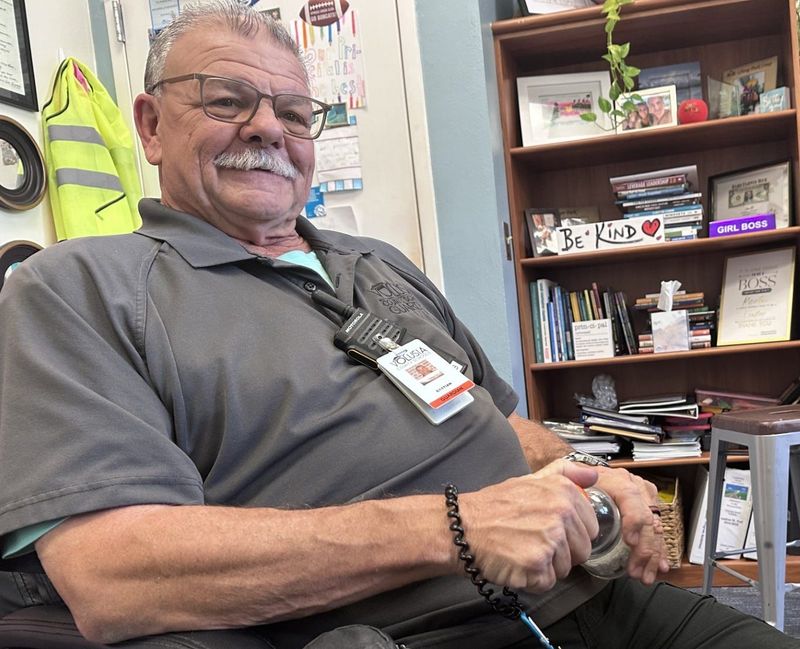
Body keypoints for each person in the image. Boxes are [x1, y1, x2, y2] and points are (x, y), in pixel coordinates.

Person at [0, 3, 797, 648]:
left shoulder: (376, 262)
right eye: (226, 100)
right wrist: (457, 527)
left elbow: (499, 423)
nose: (268, 128)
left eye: (294, 111)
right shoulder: (78, 289)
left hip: (589, 590)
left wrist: (590, 472)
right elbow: (110, 575)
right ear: (150, 124)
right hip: (418, 630)